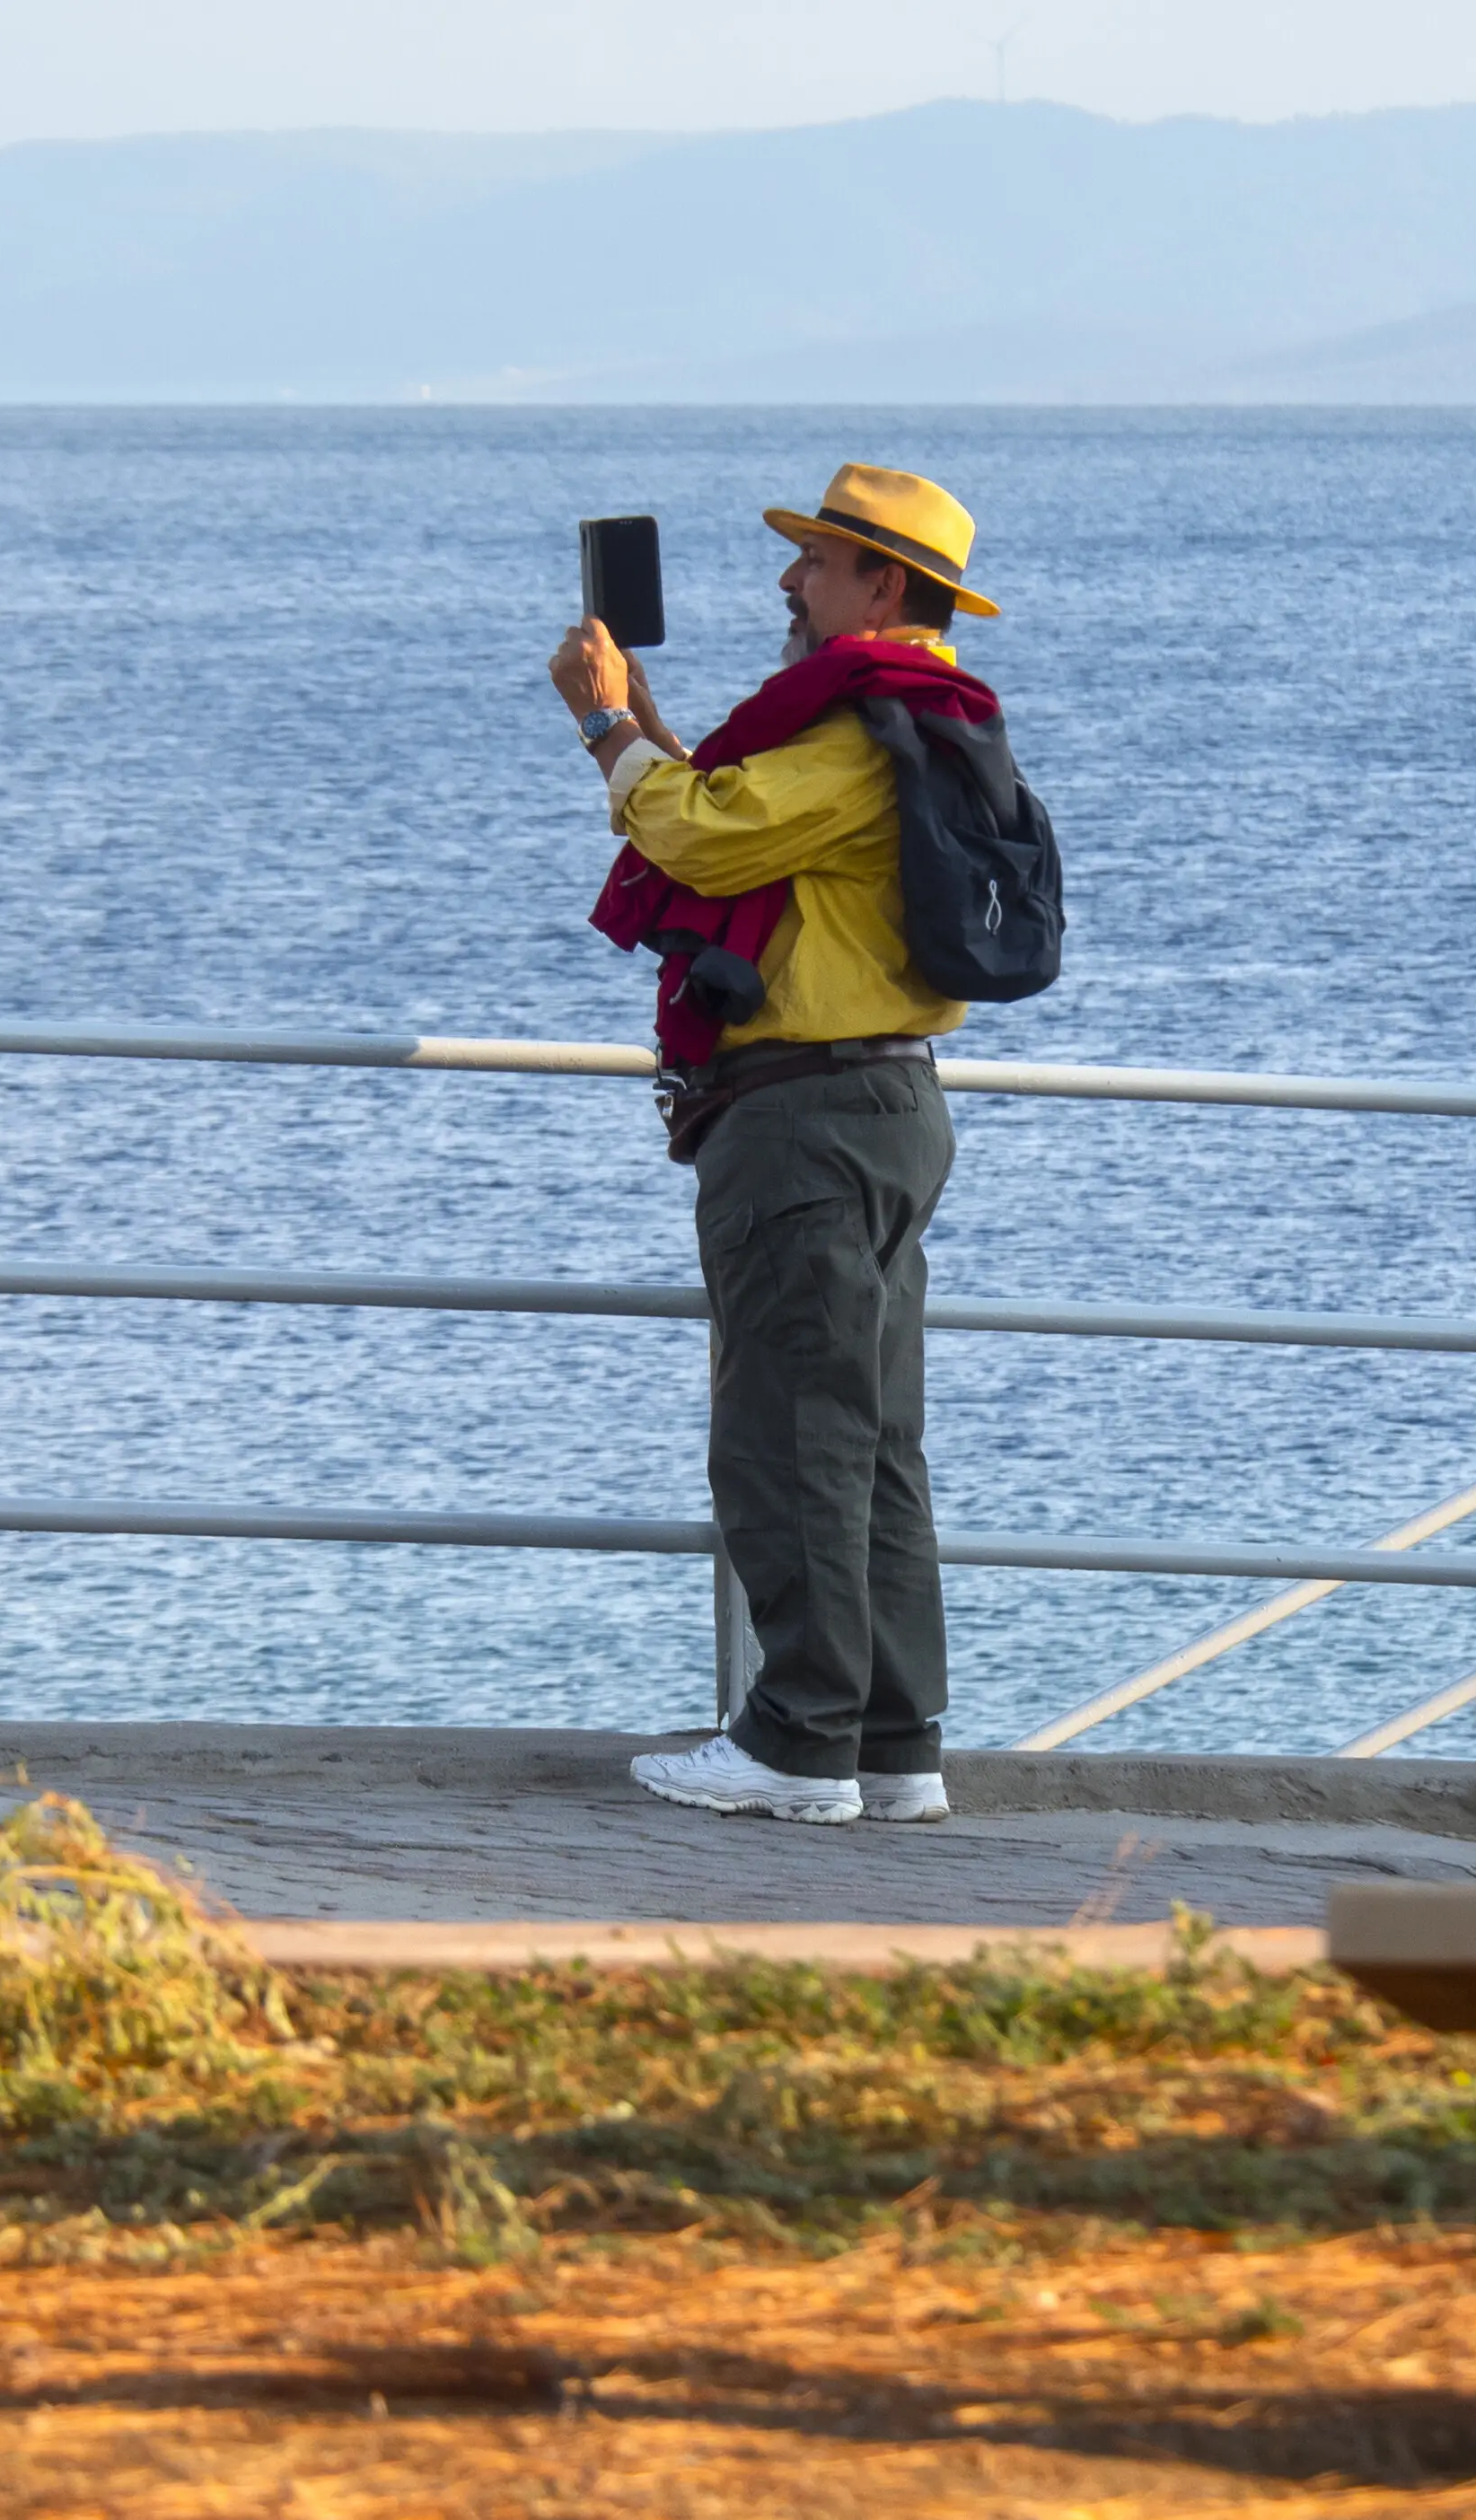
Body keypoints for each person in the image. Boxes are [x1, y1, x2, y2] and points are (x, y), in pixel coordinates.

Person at [544, 464, 1005, 1827]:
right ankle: (893, 1739)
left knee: (785, 1432)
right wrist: (642, 732)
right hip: (886, 1104)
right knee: (873, 1441)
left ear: (881, 582)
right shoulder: (920, 725)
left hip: (805, 1118)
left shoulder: (862, 734)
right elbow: (728, 829)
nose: (789, 585)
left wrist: (604, 725)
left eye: (814, 561)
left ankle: (800, 1743)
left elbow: (703, 833)